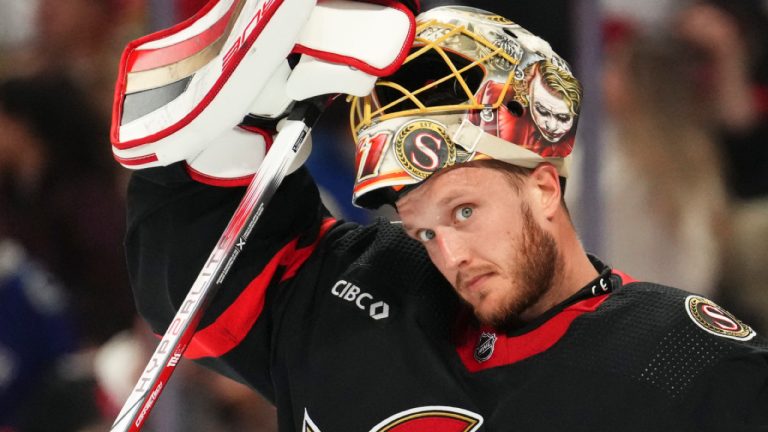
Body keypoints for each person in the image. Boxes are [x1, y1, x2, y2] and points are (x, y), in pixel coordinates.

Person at [122, 4, 768, 431]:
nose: (449, 253)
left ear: (544, 187)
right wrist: (236, 133)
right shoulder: (373, 287)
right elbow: (194, 298)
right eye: (422, 228)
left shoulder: (677, 355)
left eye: (464, 210)